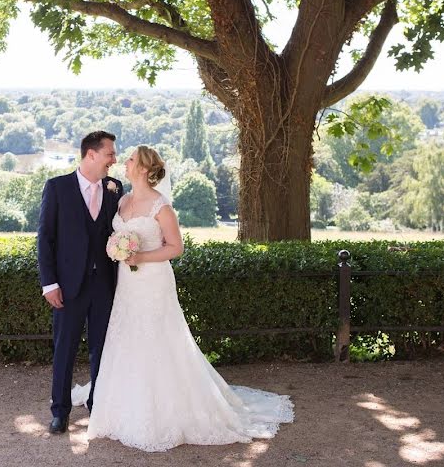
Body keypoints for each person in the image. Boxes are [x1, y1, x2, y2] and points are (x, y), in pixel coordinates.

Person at [70, 145, 294, 452]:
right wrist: (116, 249)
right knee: (128, 337)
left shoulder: (161, 207)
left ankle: (163, 411)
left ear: (145, 169)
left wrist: (140, 255)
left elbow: (176, 248)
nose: (126, 162)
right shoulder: (122, 200)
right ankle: (124, 407)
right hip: (127, 284)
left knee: (157, 339)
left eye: (132, 159)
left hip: (153, 281)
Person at [37, 131, 125, 435]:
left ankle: (97, 403)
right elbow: (45, 239)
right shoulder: (58, 188)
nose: (114, 160)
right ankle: (59, 411)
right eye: (110, 154)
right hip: (68, 286)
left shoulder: (115, 190)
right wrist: (49, 284)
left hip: (104, 286)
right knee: (65, 349)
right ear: (91, 155)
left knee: (102, 349)